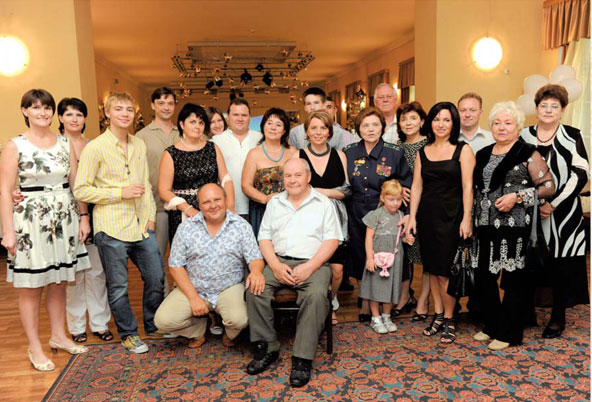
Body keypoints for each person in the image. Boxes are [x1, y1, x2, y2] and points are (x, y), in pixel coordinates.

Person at [1, 89, 90, 372]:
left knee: (59, 281)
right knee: (30, 287)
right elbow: (5, 190)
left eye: (47, 108)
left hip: (64, 218)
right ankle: (34, 346)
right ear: (25, 111)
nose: (42, 113)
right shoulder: (15, 145)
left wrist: (84, 217)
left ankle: (59, 335)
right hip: (30, 221)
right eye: (36, 107)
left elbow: (76, 183)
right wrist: (8, 232)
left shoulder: (65, 143)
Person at [74, 92, 165, 354]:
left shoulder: (139, 144)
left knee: (156, 278)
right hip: (111, 228)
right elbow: (81, 189)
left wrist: (150, 217)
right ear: (107, 113)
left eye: (129, 109)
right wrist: (119, 193)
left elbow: (145, 183)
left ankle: (153, 324)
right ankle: (128, 334)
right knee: (118, 287)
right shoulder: (95, 148)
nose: (125, 114)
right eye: (118, 109)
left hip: (141, 226)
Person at [246, 158, 343, 388]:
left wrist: (309, 267)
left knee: (316, 295)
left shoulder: (323, 203)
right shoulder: (275, 202)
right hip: (278, 260)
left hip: (314, 263)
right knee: (255, 289)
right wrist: (275, 266)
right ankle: (267, 347)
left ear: (308, 177)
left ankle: (302, 358)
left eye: (298, 175)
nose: (292, 180)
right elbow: (264, 238)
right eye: (288, 176)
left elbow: (332, 240)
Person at [473, 101, 555, 350]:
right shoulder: (483, 153)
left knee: (513, 280)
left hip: (515, 225)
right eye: (497, 123)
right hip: (484, 224)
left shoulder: (528, 153)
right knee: (484, 277)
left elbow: (548, 187)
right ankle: (492, 325)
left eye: (508, 123)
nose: (502, 127)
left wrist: (517, 197)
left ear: (518, 127)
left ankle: (509, 333)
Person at [154, 183, 264, 348]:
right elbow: (175, 266)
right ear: (199, 205)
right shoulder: (186, 228)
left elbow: (255, 257)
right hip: (194, 287)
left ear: (225, 200)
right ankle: (199, 330)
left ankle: (230, 332)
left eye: (217, 200)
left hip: (229, 287)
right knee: (163, 321)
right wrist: (193, 298)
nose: (213, 206)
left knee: (239, 320)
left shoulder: (241, 226)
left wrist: (256, 271)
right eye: (206, 202)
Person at [521, 84, 590, 339]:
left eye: (554, 106)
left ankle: (558, 317)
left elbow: (580, 174)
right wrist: (535, 202)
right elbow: (517, 172)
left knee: (562, 265)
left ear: (562, 110)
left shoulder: (572, 135)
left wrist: (554, 203)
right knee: (528, 262)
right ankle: (527, 312)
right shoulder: (524, 135)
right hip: (530, 211)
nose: (548, 110)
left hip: (564, 214)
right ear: (536, 108)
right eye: (544, 105)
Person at [406, 102, 475, 344]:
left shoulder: (463, 150)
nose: (441, 124)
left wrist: (467, 217)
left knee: (446, 272)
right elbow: (417, 186)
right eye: (436, 119)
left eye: (446, 120)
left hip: (453, 217)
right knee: (432, 270)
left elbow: (468, 187)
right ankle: (437, 314)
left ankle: (449, 317)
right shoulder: (422, 151)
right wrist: (412, 217)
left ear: (453, 123)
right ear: (430, 123)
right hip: (428, 217)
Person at [343, 107, 413, 322]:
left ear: (382, 127)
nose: (370, 129)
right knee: (361, 255)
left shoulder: (394, 152)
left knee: (388, 255)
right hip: (356, 211)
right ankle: (365, 300)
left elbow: (407, 187)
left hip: (387, 212)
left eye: (375, 124)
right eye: (365, 125)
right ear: (358, 129)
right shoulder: (349, 152)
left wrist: (407, 214)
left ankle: (390, 300)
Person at [57, 97, 113, 343]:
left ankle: (100, 323)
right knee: (74, 274)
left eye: (79, 114)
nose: (74, 119)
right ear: (60, 118)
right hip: (64, 215)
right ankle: (77, 325)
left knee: (97, 271)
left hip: (95, 212)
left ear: (85, 118)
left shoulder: (94, 145)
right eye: (69, 114)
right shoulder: (56, 146)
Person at [298, 111, 349, 325]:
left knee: (337, 270)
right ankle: (320, 304)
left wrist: (321, 192)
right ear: (307, 132)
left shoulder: (340, 156)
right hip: (307, 220)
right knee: (314, 266)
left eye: (323, 128)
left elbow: (347, 190)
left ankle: (332, 299)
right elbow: (294, 189)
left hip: (336, 218)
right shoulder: (298, 156)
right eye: (314, 128)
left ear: (329, 132)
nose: (318, 132)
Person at [158, 103, 234, 243]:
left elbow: (226, 179)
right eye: (192, 122)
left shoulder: (212, 148)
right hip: (183, 213)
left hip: (213, 209)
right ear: (182, 124)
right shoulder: (170, 153)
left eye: (201, 123)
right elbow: (164, 191)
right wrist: (188, 209)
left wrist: (229, 208)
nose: (197, 126)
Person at [135, 87, 180, 296]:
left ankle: (181, 301)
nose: (166, 107)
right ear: (153, 105)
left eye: (170, 103)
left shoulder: (183, 132)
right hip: (156, 207)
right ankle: (162, 303)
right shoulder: (141, 136)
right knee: (156, 259)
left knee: (184, 258)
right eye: (161, 103)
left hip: (183, 206)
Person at [361, 180, 415, 334]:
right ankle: (376, 318)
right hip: (377, 258)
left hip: (393, 260)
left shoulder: (401, 216)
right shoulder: (375, 215)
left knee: (390, 288)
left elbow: (399, 237)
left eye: (398, 199)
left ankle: (386, 316)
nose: (395, 203)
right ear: (382, 197)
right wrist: (370, 258)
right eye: (391, 199)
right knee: (375, 287)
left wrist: (407, 239)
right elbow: (368, 238)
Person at [393, 102, 430, 321]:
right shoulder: (396, 147)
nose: (408, 123)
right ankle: (405, 296)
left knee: (425, 256)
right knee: (404, 254)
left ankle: (424, 300)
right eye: (404, 119)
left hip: (426, 206)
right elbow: (389, 176)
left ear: (422, 122)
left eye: (413, 118)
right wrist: (399, 188)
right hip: (400, 206)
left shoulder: (429, 145)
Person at [242, 107, 298, 237]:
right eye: (269, 123)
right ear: (263, 127)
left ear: (284, 130)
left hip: (290, 209)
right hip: (263, 210)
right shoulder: (253, 154)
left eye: (278, 125)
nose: (273, 128)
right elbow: (246, 185)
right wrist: (266, 199)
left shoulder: (293, 152)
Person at [212, 99, 262, 219]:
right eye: (235, 115)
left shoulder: (261, 139)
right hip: (227, 207)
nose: (240, 119)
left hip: (257, 206)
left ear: (249, 117)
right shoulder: (216, 141)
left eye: (244, 115)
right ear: (228, 117)